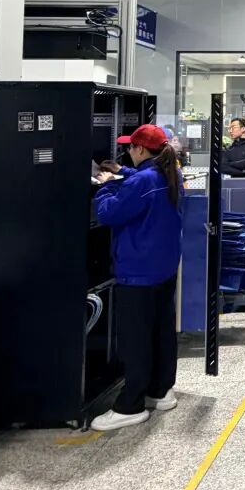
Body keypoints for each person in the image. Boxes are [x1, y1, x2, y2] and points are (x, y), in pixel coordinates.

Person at [90, 125, 184, 432]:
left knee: (136, 339)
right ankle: (160, 390)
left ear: (141, 149)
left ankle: (130, 405)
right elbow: (144, 181)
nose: (128, 151)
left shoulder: (142, 181)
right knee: (160, 332)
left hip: (138, 272)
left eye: (130, 147)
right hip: (163, 268)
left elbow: (109, 214)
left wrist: (105, 186)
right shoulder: (169, 173)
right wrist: (123, 173)